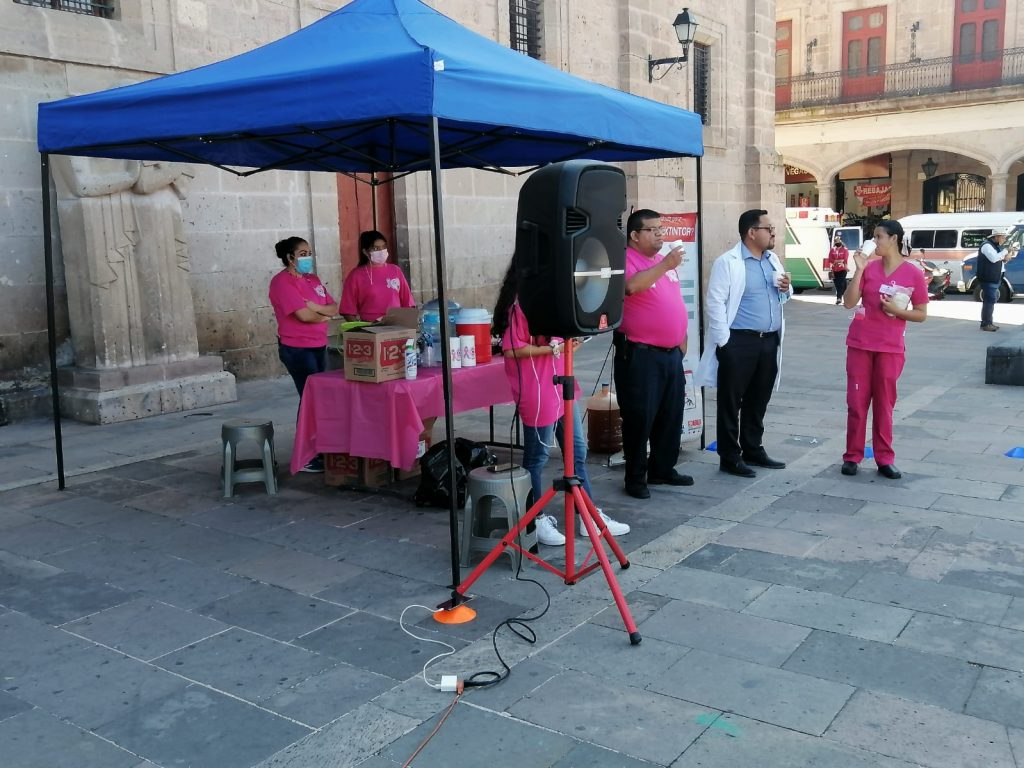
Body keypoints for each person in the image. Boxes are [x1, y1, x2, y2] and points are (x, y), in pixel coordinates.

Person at [492, 262, 629, 545]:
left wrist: (569, 344)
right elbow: (512, 348)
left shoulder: (549, 300)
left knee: (577, 452)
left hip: (560, 386)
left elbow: (556, 340)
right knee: (537, 457)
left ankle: (587, 515)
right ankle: (534, 519)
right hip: (537, 390)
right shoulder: (521, 303)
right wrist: (551, 348)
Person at [696, 209, 793, 479]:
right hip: (739, 340)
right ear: (752, 232)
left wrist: (787, 288)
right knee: (731, 400)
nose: (773, 233)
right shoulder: (728, 262)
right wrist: (724, 342)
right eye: (768, 228)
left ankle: (753, 448)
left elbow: (783, 295)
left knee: (759, 397)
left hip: (769, 340)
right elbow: (714, 302)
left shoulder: (772, 260)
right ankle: (729, 455)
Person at [613, 209, 694, 500]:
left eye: (662, 229)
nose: (661, 234)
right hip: (640, 354)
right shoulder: (625, 259)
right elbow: (631, 287)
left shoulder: (661, 261)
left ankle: (662, 467)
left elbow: (671, 301)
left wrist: (680, 336)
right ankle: (635, 477)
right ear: (635, 235)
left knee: (670, 415)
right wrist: (666, 265)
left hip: (670, 354)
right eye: (653, 229)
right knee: (639, 417)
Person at [840, 220, 928, 480]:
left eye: (878, 236)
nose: (874, 241)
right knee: (856, 403)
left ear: (894, 239)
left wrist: (897, 311)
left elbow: (921, 314)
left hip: (890, 348)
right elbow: (849, 303)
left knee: (884, 405)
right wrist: (859, 270)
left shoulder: (912, 273)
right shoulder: (869, 268)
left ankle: (884, 458)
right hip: (860, 344)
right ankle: (852, 456)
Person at [269, 236, 338, 472]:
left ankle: (321, 447)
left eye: (309, 253)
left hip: (319, 344)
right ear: (290, 257)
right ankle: (307, 455)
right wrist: (322, 314)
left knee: (321, 398)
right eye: (303, 253)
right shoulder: (281, 283)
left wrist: (317, 308)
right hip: (297, 348)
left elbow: (334, 307)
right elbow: (303, 316)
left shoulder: (312, 279)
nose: (308, 258)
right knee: (310, 397)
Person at [339, 230, 415, 322]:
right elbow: (347, 310)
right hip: (371, 329)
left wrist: (407, 325)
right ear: (365, 252)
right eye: (376, 248)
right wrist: (361, 330)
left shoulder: (395, 270)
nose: (381, 251)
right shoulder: (356, 276)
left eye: (384, 247)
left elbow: (408, 302)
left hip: (396, 327)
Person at [977, 227, 1017, 332]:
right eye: (1003, 237)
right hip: (988, 277)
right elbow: (994, 258)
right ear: (997, 237)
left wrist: (1006, 258)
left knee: (991, 300)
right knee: (989, 301)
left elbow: (999, 261)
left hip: (994, 277)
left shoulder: (995, 246)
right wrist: (1005, 251)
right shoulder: (987, 246)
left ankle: (988, 323)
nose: (1004, 239)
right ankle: (986, 324)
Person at [829, 235, 849, 305]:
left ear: (841, 241)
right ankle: (846, 297)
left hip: (842, 269)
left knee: (840, 283)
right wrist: (837, 261)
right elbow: (830, 259)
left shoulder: (845, 250)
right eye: (835, 241)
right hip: (834, 270)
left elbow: (845, 259)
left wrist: (845, 266)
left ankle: (839, 298)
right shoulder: (832, 250)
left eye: (838, 241)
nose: (837, 243)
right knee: (839, 284)